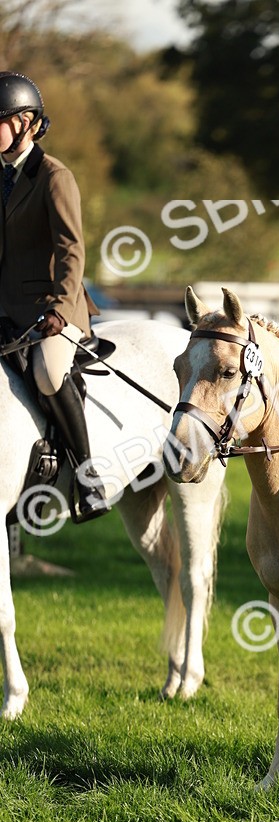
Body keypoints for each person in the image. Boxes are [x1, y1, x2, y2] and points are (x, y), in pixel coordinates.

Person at [0, 71, 106, 519]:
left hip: (50, 311)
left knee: (46, 375)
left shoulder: (54, 176)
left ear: (24, 122)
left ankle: (87, 476)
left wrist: (61, 309)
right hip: (5, 309)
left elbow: (71, 251)